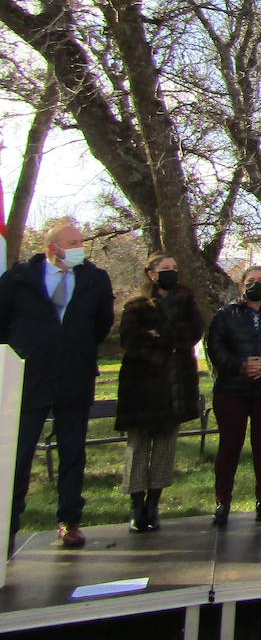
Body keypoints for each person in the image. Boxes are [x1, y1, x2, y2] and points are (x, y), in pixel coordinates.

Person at [0, 222, 115, 550]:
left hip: (73, 377)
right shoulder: (20, 280)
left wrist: (74, 346)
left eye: (81, 241)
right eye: (73, 242)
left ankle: (69, 520)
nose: (80, 246)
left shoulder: (95, 279)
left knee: (73, 451)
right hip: (27, 380)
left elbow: (101, 325)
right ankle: (7, 525)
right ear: (52, 249)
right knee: (18, 456)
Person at [115, 252, 207, 532]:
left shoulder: (188, 301)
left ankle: (155, 503)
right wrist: (164, 343)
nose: (172, 272)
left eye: (174, 267)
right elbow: (131, 341)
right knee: (138, 447)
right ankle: (136, 504)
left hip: (175, 385)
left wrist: (159, 337)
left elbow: (191, 334)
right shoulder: (136, 305)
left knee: (165, 447)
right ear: (152, 273)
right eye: (166, 268)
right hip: (141, 387)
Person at [207, 265, 261, 526]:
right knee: (229, 446)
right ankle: (222, 501)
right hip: (232, 390)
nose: (255, 284)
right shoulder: (226, 314)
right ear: (242, 285)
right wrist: (241, 364)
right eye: (250, 280)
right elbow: (216, 348)